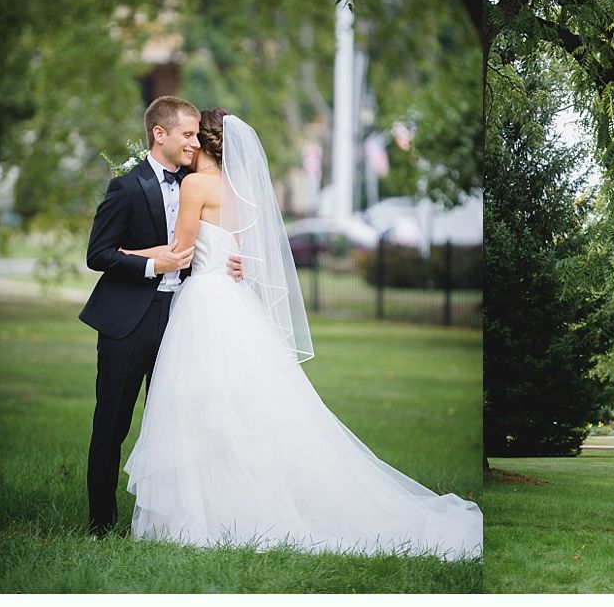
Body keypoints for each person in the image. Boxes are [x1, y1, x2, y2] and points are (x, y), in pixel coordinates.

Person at [119, 109, 483, 560]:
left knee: (202, 404)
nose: (188, 145)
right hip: (235, 303)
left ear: (208, 144)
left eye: (194, 137)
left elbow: (181, 250)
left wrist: (127, 251)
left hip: (204, 300)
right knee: (243, 405)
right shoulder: (242, 189)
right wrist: (232, 260)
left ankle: (205, 509)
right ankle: (234, 499)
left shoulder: (195, 185)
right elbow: (244, 248)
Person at [79, 96, 202, 537]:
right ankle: (101, 523)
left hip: (183, 318)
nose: (195, 142)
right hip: (128, 321)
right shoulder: (126, 187)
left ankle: (163, 521)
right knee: (112, 422)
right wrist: (152, 264)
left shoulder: (198, 183)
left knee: (173, 423)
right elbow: (98, 254)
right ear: (160, 133)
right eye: (188, 134)